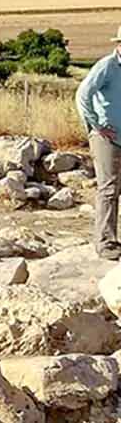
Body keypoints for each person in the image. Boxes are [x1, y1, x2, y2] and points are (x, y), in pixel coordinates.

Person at [75, 28, 121, 259]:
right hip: (107, 138)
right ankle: (106, 244)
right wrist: (94, 126)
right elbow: (82, 95)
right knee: (109, 188)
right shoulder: (106, 66)